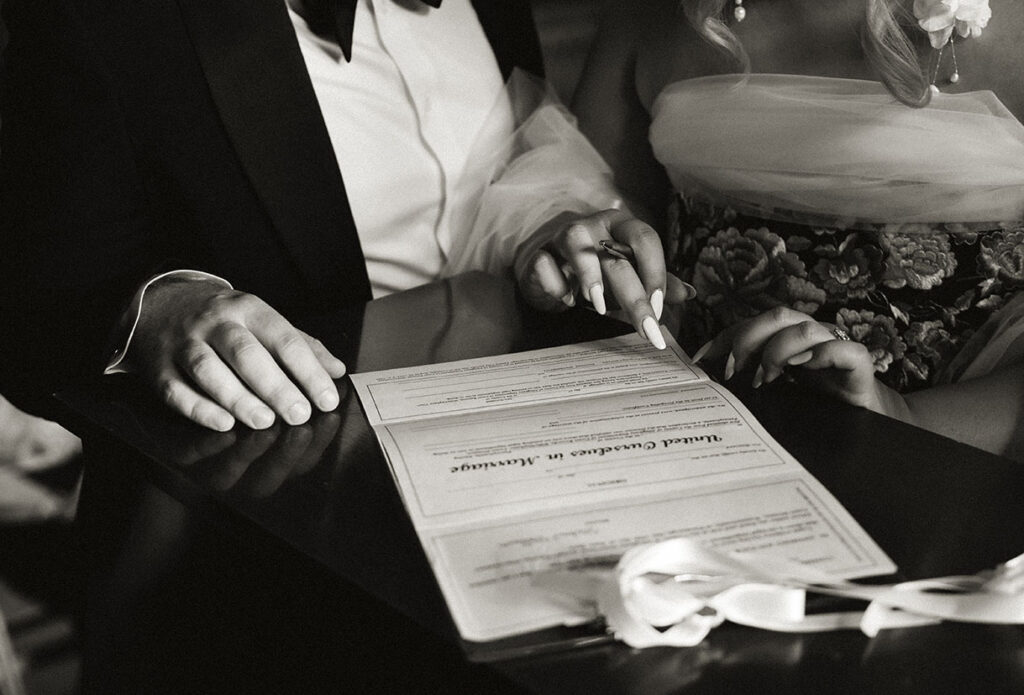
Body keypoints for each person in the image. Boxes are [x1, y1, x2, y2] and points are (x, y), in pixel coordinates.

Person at [0, 0, 688, 433]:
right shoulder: (95, 18)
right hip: (271, 532)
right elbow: (29, 323)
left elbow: (495, 175)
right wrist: (152, 313)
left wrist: (540, 229)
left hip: (530, 443)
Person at [572, 0, 1024, 459]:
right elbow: (598, 194)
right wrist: (601, 252)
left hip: (956, 459)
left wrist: (905, 418)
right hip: (689, 434)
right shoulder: (651, 15)